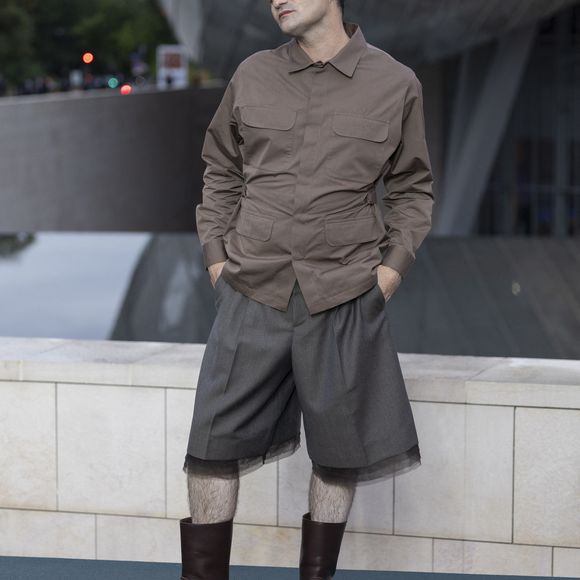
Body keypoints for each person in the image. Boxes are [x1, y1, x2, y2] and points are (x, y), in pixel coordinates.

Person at [179, 0, 435, 578]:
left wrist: (389, 272)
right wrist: (217, 258)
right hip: (251, 289)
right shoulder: (253, 73)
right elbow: (220, 169)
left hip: (344, 293)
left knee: (340, 455)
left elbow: (414, 188)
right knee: (210, 449)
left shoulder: (396, 83)